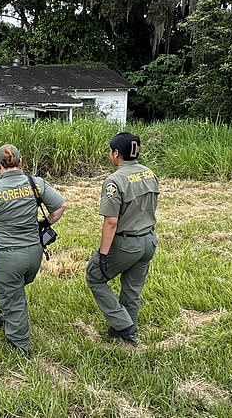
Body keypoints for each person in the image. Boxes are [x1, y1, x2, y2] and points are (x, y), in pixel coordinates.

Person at [0, 144, 67, 355]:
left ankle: (20, 348)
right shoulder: (35, 183)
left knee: (12, 295)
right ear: (21, 162)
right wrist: (45, 223)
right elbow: (60, 206)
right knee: (11, 290)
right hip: (34, 253)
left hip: (8, 256)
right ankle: (7, 316)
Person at [85, 132, 160, 347]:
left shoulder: (114, 181)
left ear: (116, 153)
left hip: (127, 243)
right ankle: (127, 335)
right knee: (132, 289)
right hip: (149, 241)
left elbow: (111, 222)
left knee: (95, 277)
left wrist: (103, 253)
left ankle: (124, 324)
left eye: (110, 151)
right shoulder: (149, 174)